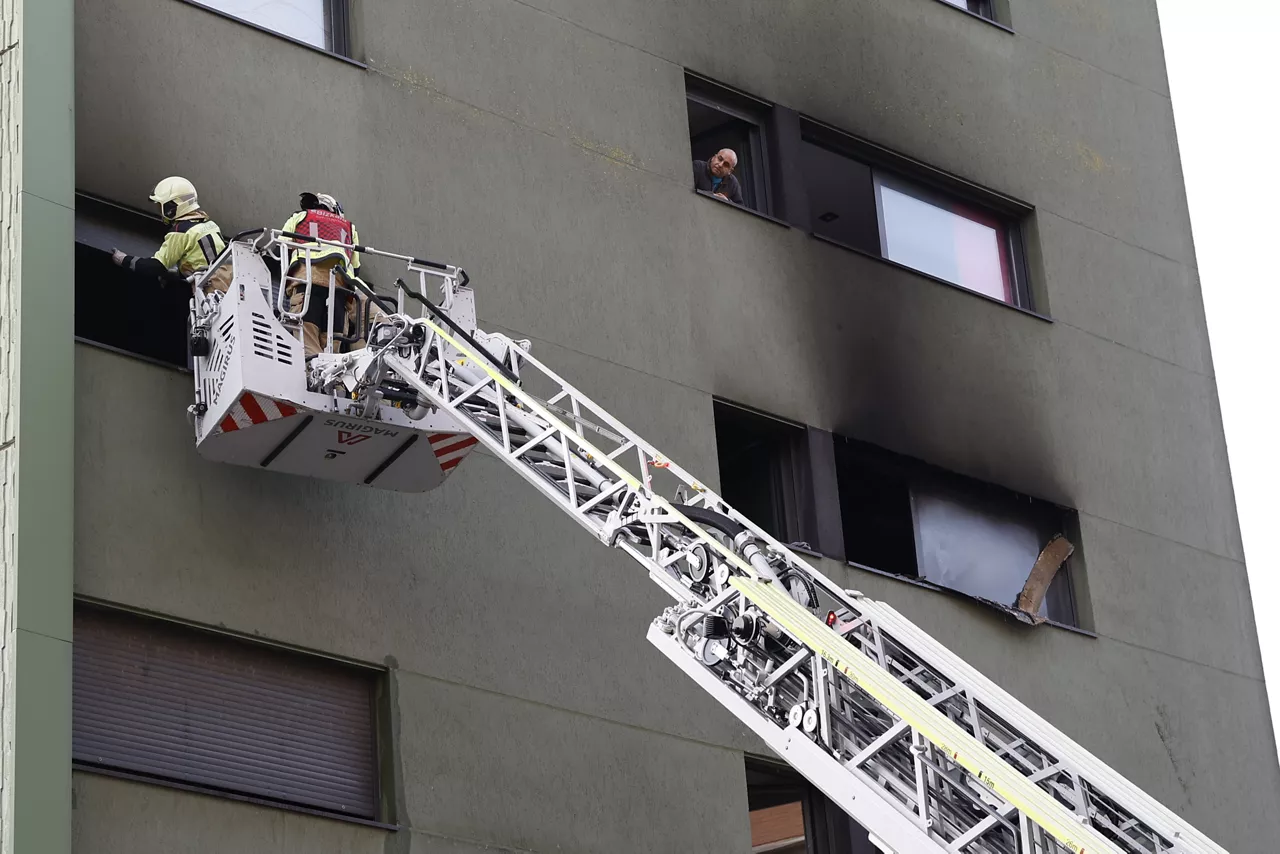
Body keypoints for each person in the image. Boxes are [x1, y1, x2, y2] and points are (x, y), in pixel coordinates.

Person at [280, 192, 382, 358]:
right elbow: (355, 267)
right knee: (332, 350)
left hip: (306, 284)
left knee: (307, 343)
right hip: (339, 291)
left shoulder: (300, 217)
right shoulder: (348, 227)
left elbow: (282, 245)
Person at [111, 176, 232, 294]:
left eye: (160, 206)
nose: (159, 211)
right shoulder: (210, 225)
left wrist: (124, 259)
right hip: (230, 288)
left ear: (171, 207)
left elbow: (156, 266)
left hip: (210, 294)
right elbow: (206, 263)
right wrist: (176, 273)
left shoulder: (180, 232)